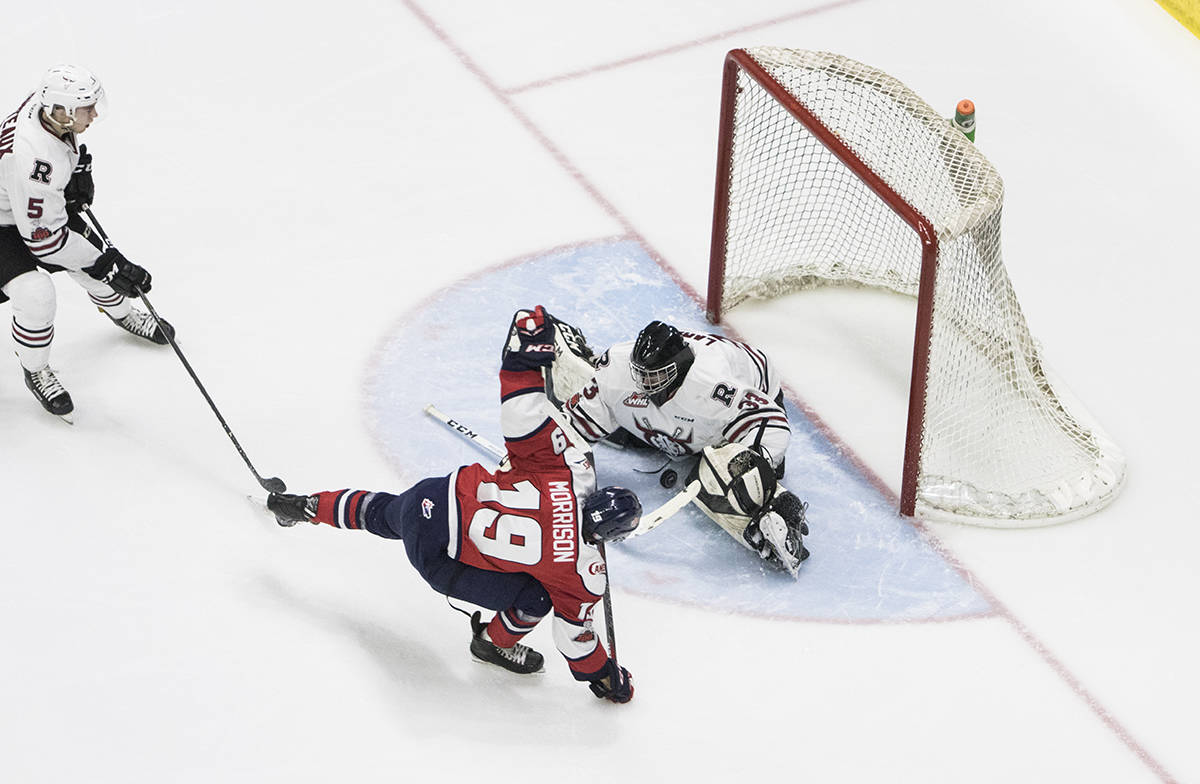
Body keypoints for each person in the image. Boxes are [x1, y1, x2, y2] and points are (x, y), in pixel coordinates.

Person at [267, 307, 637, 703]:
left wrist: (523, 360)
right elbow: (575, 640)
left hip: (432, 498)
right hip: (439, 558)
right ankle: (492, 644)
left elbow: (522, 418)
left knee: (379, 513)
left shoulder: (563, 472)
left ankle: (305, 506)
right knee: (537, 597)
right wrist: (605, 677)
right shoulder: (583, 578)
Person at [548, 315, 810, 576]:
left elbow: (770, 420)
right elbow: (574, 430)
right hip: (687, 418)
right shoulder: (616, 367)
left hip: (750, 397)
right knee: (625, 431)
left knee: (738, 482)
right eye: (640, 375)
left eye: (655, 377)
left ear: (680, 367)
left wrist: (756, 464)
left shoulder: (714, 385)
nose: (643, 385)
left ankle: (779, 519)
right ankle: (578, 358)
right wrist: (544, 464)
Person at [0, 64, 171, 421]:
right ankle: (35, 370)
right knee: (37, 293)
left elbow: (44, 204)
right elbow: (45, 242)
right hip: (6, 222)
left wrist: (71, 177)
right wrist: (108, 264)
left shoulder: (45, 107)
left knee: (93, 262)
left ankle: (123, 316)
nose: (93, 114)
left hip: (28, 205)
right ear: (60, 110)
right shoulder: (34, 159)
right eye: (85, 108)